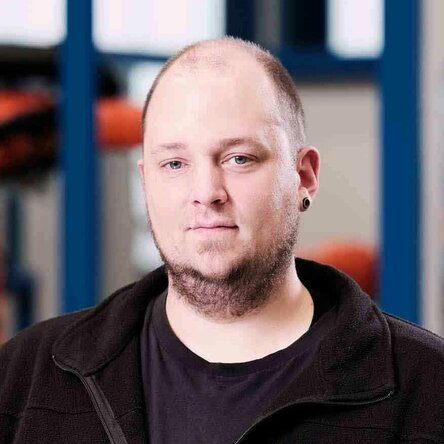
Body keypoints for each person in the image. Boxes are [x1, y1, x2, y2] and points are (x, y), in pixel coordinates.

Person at [1, 37, 444, 444]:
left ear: (304, 176)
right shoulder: (23, 381)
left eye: (239, 158)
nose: (206, 191)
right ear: (146, 182)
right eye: (174, 163)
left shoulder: (427, 390)